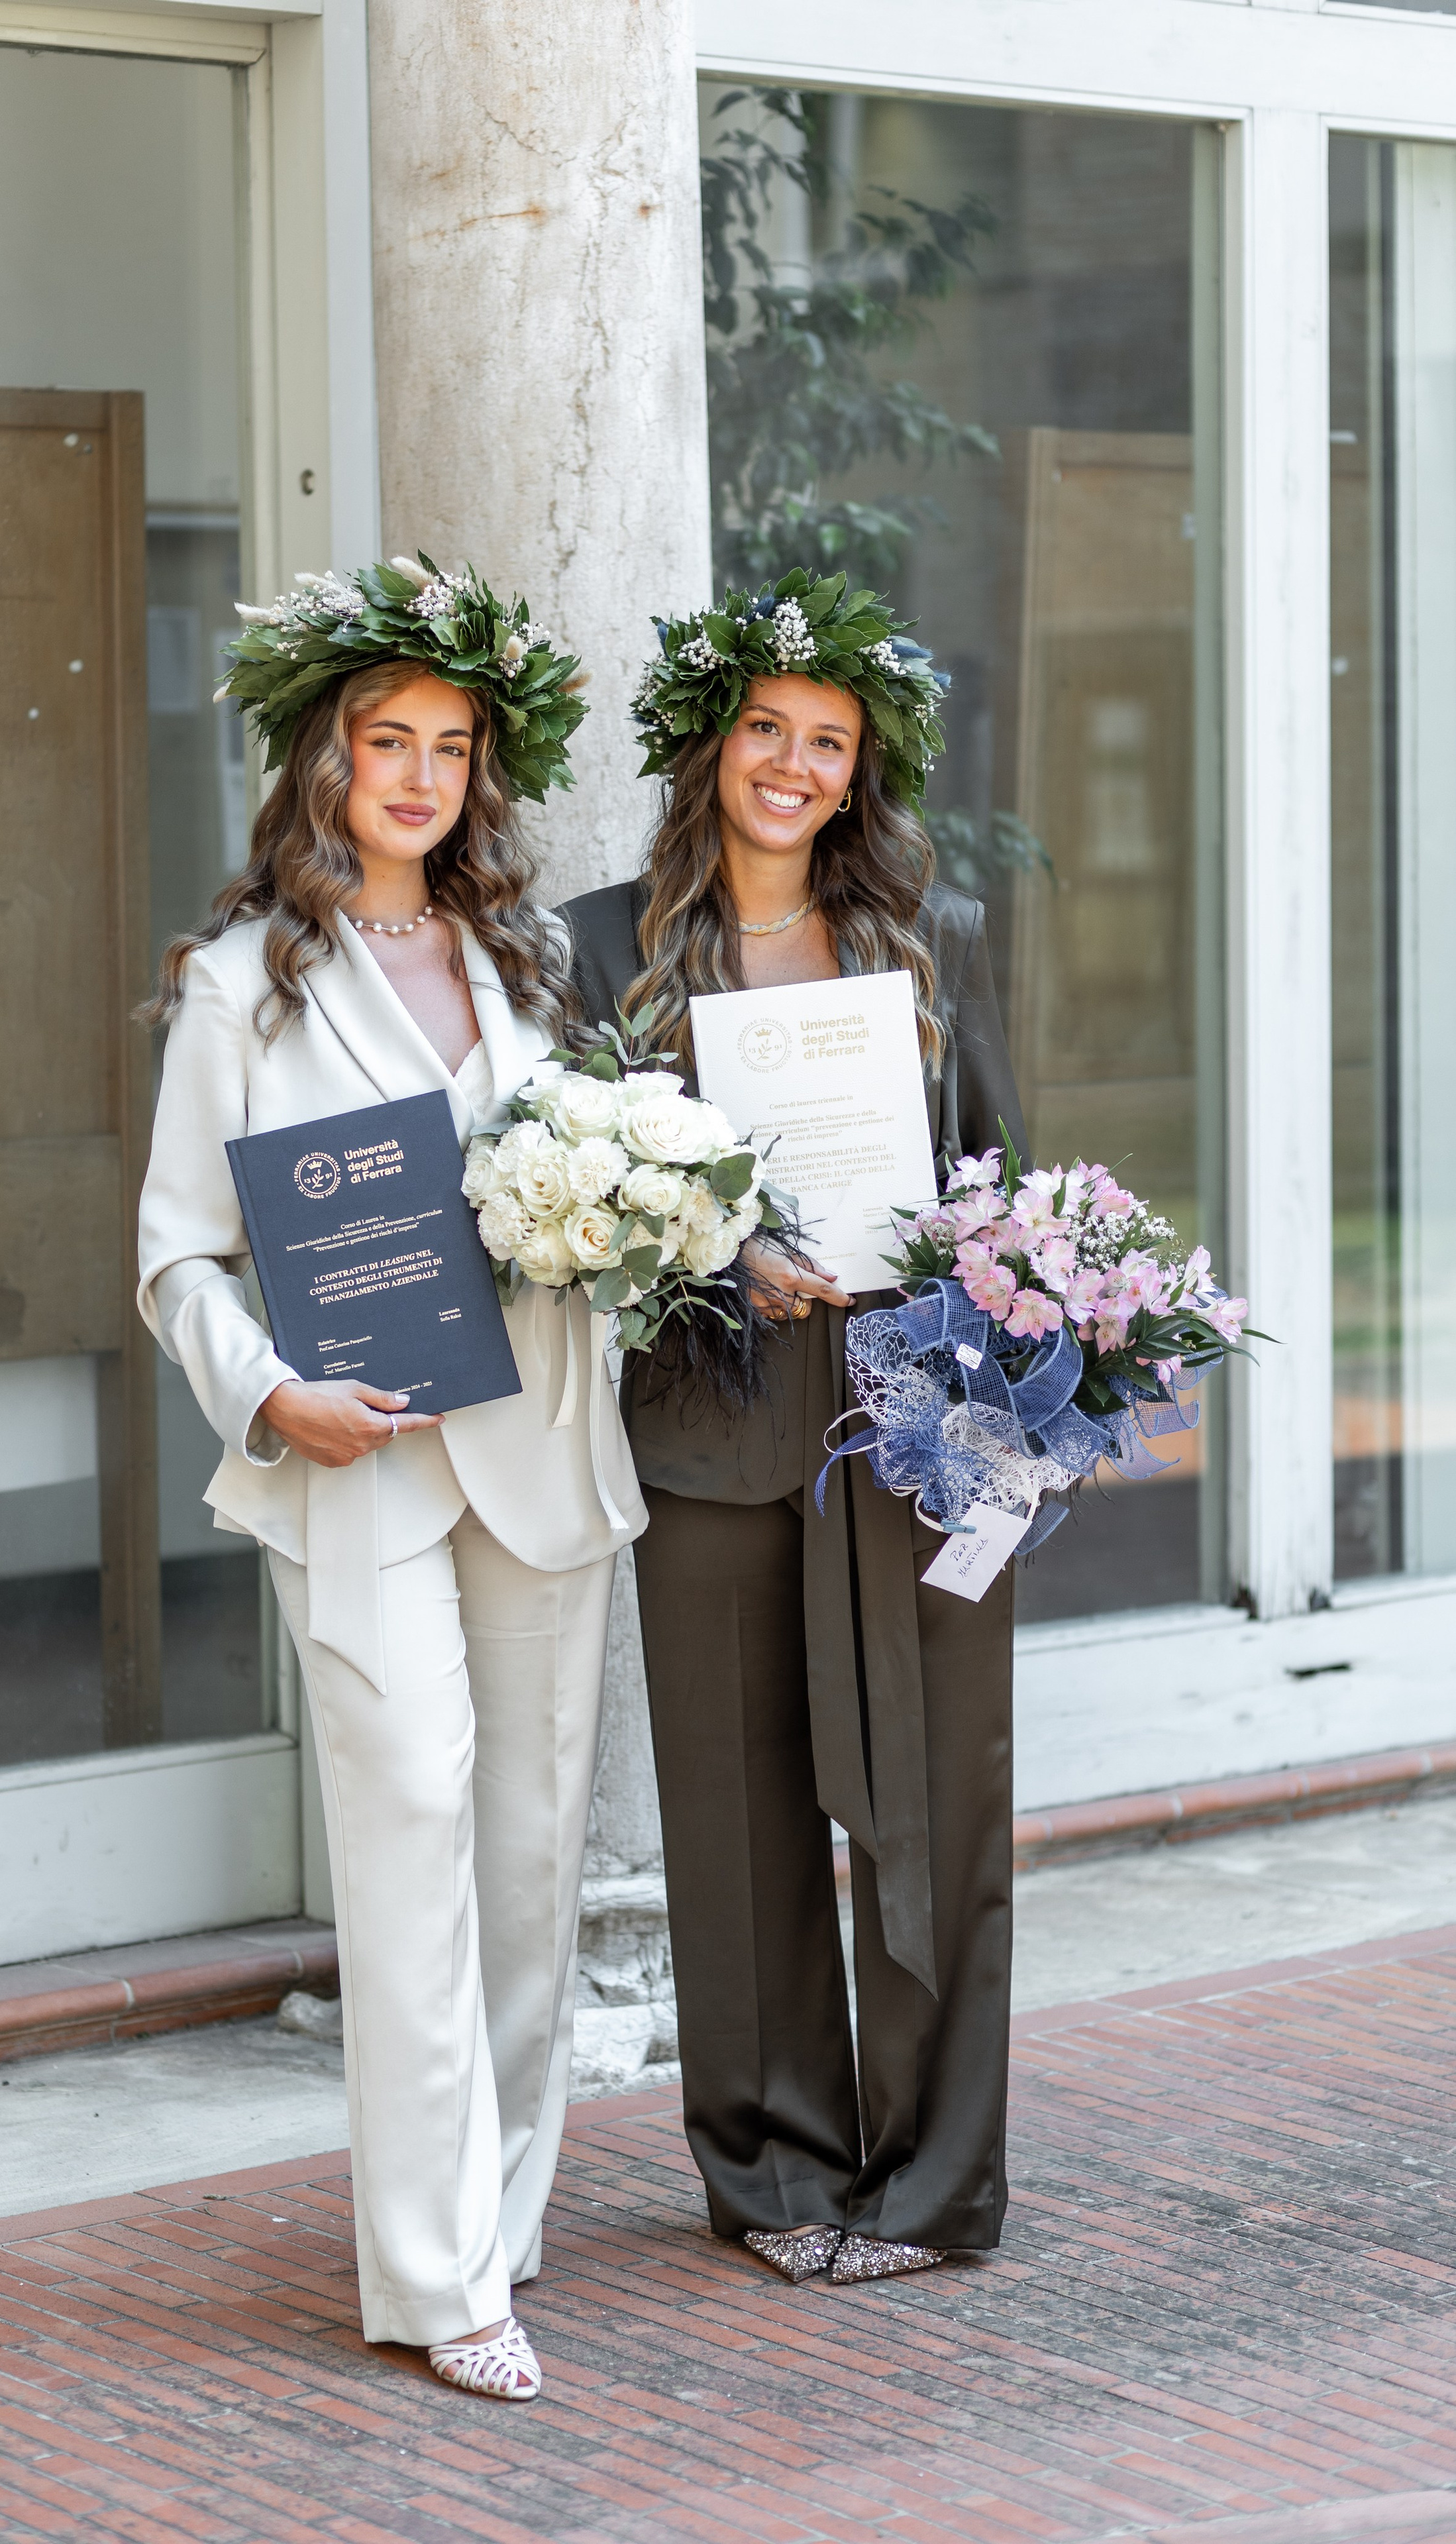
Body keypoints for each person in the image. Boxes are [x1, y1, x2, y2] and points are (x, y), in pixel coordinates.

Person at [138, 558, 644, 2400]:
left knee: (529, 1856)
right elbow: (177, 1257)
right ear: (325, 763)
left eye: (450, 747)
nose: (421, 777)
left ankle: (499, 2221)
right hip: (358, 1465)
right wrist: (274, 1393)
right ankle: (439, 2285)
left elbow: (590, 1175)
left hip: (539, 1455)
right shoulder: (239, 988)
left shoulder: (537, 964)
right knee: (414, 1821)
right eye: (388, 743)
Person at [563, 571, 1026, 2288]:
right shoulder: (598, 947)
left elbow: (998, 1181)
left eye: (828, 742)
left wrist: (1010, 1394)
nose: (792, 765)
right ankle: (777, 2176)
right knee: (737, 1815)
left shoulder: (934, 936)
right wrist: (713, 1249)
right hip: (712, 1431)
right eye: (766, 726)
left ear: (859, 771)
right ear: (713, 741)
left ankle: (931, 2183)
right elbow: (571, 1205)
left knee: (938, 1806)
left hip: (917, 1429)